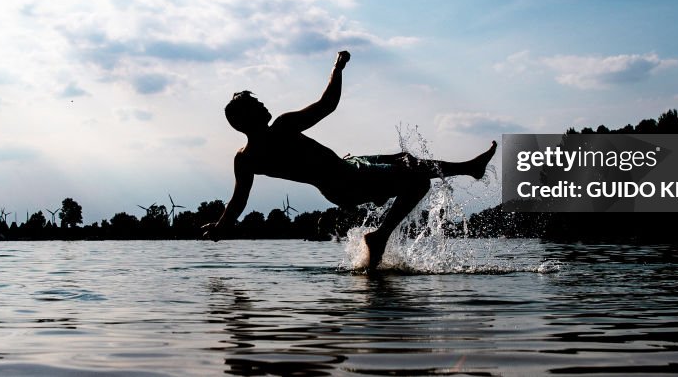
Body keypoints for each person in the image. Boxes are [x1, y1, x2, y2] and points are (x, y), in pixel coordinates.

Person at [202, 50, 496, 269]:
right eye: (256, 104)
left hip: (344, 174)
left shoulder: (245, 159)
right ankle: (379, 237)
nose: (263, 104)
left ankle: (469, 168)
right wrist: (338, 67)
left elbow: (237, 201)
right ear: (246, 118)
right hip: (347, 179)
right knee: (417, 178)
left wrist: (220, 227)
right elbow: (327, 104)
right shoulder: (281, 127)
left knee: (407, 160)